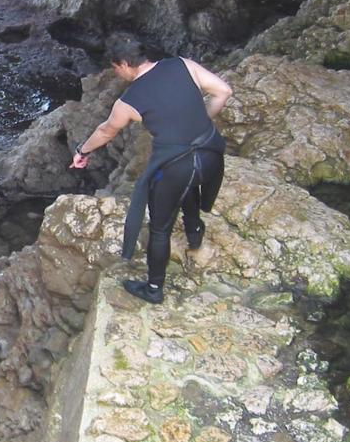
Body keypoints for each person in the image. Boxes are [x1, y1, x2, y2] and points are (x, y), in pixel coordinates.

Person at [70, 35, 233, 304]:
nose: (116, 73)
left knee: (160, 228)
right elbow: (223, 91)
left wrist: (82, 152)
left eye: (115, 67)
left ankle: (154, 289)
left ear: (124, 64)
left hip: (175, 167)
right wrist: (200, 123)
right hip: (211, 157)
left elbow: (106, 131)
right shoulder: (183, 65)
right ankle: (194, 233)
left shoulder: (129, 100)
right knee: (188, 184)